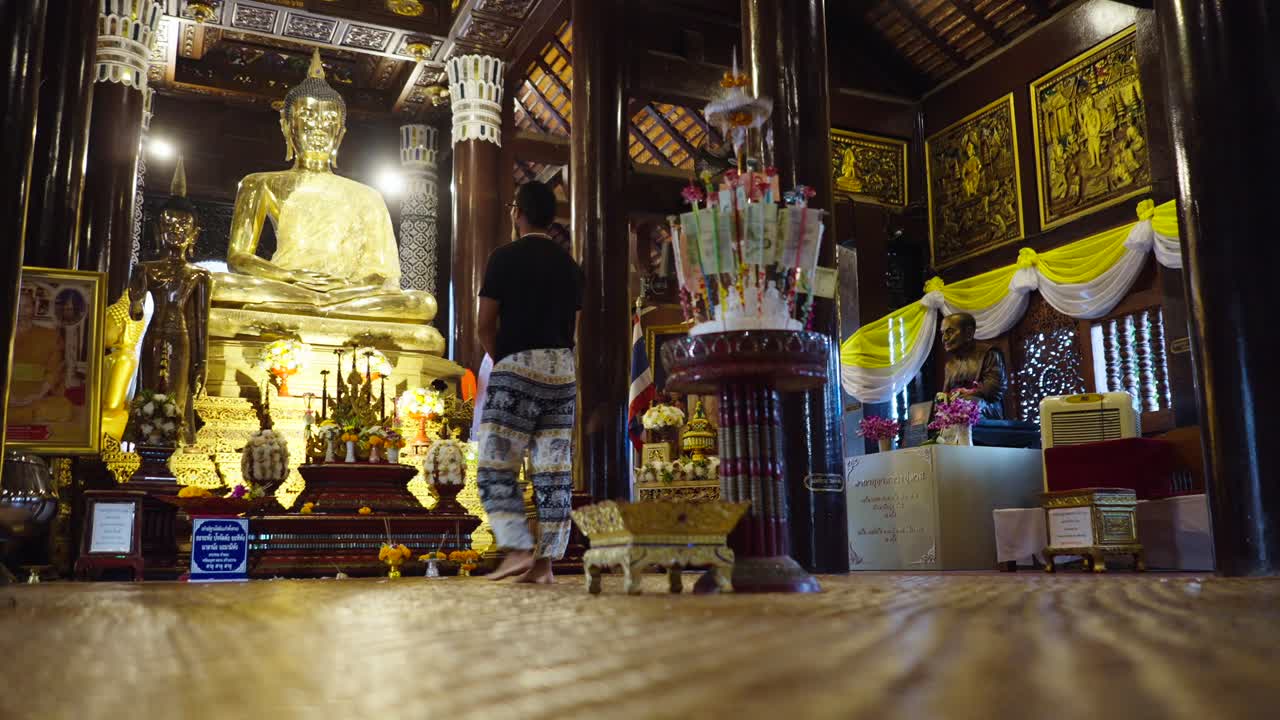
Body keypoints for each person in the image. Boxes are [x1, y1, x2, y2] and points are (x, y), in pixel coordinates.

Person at [475, 181, 584, 584]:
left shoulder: (503, 258)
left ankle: (518, 549)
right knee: (554, 471)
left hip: (517, 366)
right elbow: (572, 329)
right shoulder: (570, 267)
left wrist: (504, 361)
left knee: (495, 462)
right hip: (562, 369)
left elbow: (485, 325)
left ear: (516, 212)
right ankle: (546, 564)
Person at [940, 312, 1006, 420]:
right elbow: (945, 395)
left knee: (969, 403)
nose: (944, 338)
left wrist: (968, 392)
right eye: (942, 333)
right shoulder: (950, 365)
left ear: (969, 333)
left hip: (985, 410)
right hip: (957, 412)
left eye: (950, 332)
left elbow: (994, 390)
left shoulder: (989, 354)